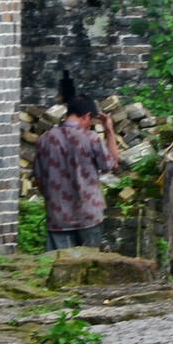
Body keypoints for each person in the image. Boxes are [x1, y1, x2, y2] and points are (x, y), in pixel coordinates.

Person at [32, 92, 121, 251]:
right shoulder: (91, 138)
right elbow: (112, 164)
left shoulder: (44, 140)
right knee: (92, 267)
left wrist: (52, 200)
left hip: (58, 218)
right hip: (89, 216)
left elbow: (38, 180)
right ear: (87, 116)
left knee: (58, 267)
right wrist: (109, 130)